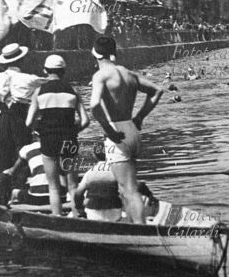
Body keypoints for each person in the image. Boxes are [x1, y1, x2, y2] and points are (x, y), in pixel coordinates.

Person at [89, 36, 163, 225]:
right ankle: (131, 224)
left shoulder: (101, 75)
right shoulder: (129, 73)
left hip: (116, 131)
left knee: (129, 189)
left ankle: (141, 229)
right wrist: (140, 117)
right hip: (131, 128)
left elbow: (94, 106)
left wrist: (108, 129)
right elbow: (157, 90)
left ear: (95, 53)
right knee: (125, 189)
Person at [0, 43, 44, 204]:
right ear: (21, 61)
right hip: (20, 120)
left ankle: (2, 200)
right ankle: (19, 197)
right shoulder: (30, 79)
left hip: (0, 121)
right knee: (23, 159)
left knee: (1, 162)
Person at [26, 55, 90, 217]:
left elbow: (28, 122)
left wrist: (38, 130)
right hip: (69, 138)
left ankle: (56, 218)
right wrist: (73, 131)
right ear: (63, 71)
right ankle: (77, 217)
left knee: (53, 186)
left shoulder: (39, 92)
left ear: (45, 71)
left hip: (48, 140)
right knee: (73, 185)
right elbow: (85, 120)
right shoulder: (73, 91)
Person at [4, 135, 67, 208]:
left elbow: (13, 171)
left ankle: (10, 209)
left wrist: (9, 171)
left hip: (37, 197)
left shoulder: (26, 149)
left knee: (14, 192)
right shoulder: (58, 146)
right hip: (61, 197)